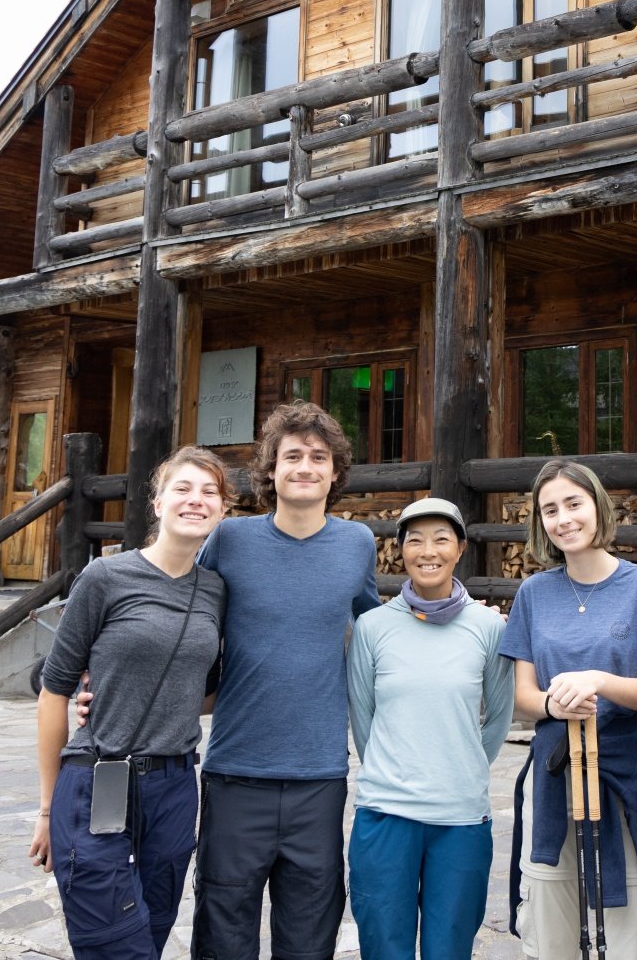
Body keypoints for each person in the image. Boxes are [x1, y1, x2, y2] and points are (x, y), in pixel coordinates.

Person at [192, 401, 381, 960]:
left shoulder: (357, 545)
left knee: (309, 934)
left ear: (335, 472)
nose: (305, 466)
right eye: (291, 455)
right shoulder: (230, 541)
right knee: (223, 933)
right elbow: (183, 616)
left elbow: (376, 638)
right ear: (269, 471)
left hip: (318, 776)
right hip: (234, 773)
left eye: (318, 457)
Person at [30, 445, 229, 960]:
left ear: (223, 510)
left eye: (210, 492)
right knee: (115, 943)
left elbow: (202, 694)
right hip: (98, 776)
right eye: (182, 488)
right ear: (158, 503)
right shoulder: (105, 578)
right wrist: (48, 808)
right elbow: (54, 690)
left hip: (175, 783)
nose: (196, 500)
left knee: (153, 926)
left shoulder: (215, 591)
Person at [502, 460, 637, 960]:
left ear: (597, 507)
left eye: (573, 504)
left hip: (629, 776)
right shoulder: (534, 593)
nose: (564, 519)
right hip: (557, 773)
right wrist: (555, 705)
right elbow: (522, 697)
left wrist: (598, 681)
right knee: (552, 928)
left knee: (630, 934)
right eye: (550, 510)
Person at [347, 496, 514, 960]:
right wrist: (394, 766)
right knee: (384, 946)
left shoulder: (487, 626)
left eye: (442, 539)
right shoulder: (372, 627)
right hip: (386, 813)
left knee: (450, 948)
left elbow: (499, 715)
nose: (428, 551)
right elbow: (363, 716)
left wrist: (461, 765)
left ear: (460, 548)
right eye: (415, 540)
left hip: (460, 818)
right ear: (400, 550)